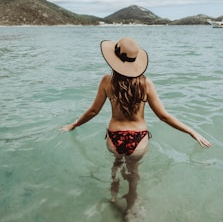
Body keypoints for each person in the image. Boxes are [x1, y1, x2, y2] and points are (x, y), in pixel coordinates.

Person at [60, 37, 211, 218]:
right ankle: (131, 209)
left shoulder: (106, 81)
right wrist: (191, 131)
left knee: (116, 166)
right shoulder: (146, 83)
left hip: (114, 140)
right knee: (134, 175)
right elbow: (164, 116)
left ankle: (113, 199)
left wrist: (74, 124)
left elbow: (93, 111)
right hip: (138, 141)